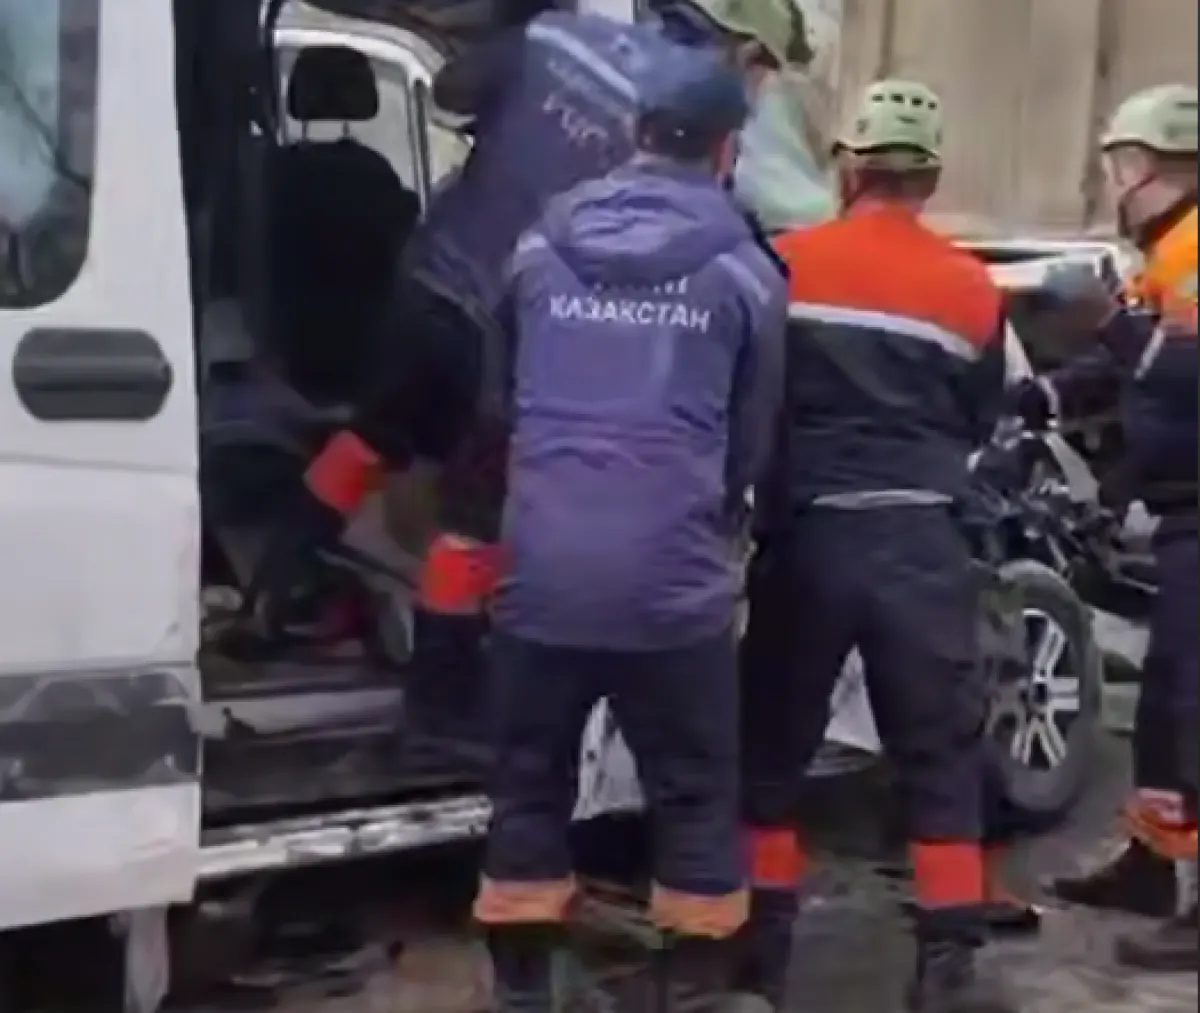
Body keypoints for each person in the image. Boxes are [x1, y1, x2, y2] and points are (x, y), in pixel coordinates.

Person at [276, 0, 808, 736]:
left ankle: (278, 587)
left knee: (376, 432)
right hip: (504, 312)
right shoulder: (691, 115)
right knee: (474, 518)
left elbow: (450, 94)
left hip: (427, 277)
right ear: (742, 49)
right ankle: (439, 712)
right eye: (763, 73)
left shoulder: (555, 33)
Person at [472, 46, 787, 1013]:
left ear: (631, 132)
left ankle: (524, 990)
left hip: (543, 576)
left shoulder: (538, 248)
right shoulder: (745, 270)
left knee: (528, 783)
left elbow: (498, 405)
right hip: (671, 587)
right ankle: (693, 991)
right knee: (693, 789)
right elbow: (751, 443)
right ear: (727, 148)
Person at [734, 80, 1020, 1013]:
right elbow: (977, 418)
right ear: (929, 179)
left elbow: (751, 395)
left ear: (847, 167)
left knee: (770, 752)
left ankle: (758, 965)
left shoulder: (783, 264)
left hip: (810, 535)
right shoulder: (970, 286)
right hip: (922, 542)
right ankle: (946, 972)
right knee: (938, 758)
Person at [1010, 83, 1198, 972]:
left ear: (1168, 167)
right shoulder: (1163, 257)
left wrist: (1111, 327)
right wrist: (1038, 397)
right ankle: (1152, 866)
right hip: (1183, 510)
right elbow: (1125, 370)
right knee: (1164, 706)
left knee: (1194, 705)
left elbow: (1179, 376)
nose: (1117, 182)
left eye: (1126, 163)